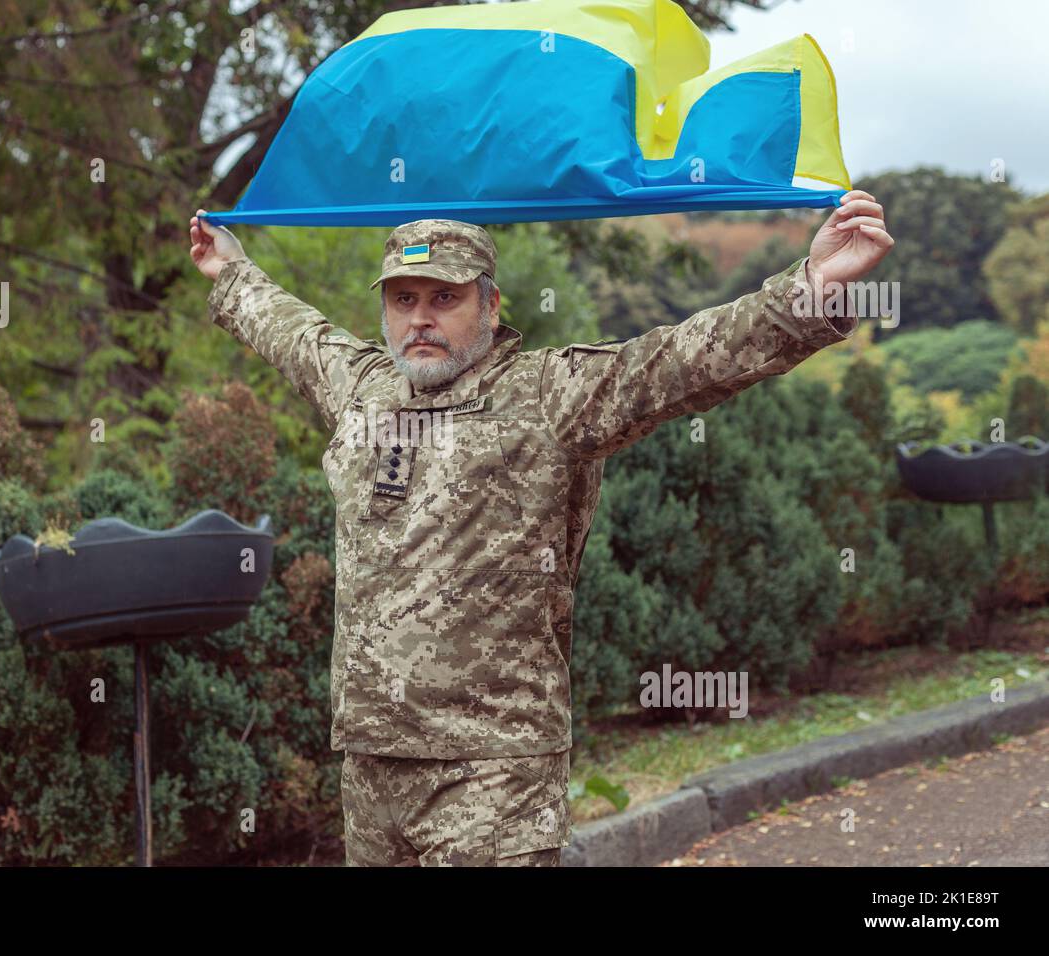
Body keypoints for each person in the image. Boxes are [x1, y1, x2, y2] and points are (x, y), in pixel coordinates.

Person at [189, 192, 893, 866]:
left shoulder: (547, 395)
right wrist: (229, 268)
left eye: (445, 297)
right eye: (403, 300)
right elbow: (292, 332)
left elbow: (680, 362)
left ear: (490, 306)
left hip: (493, 768)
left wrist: (813, 285)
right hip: (373, 764)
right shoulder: (363, 392)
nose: (421, 319)